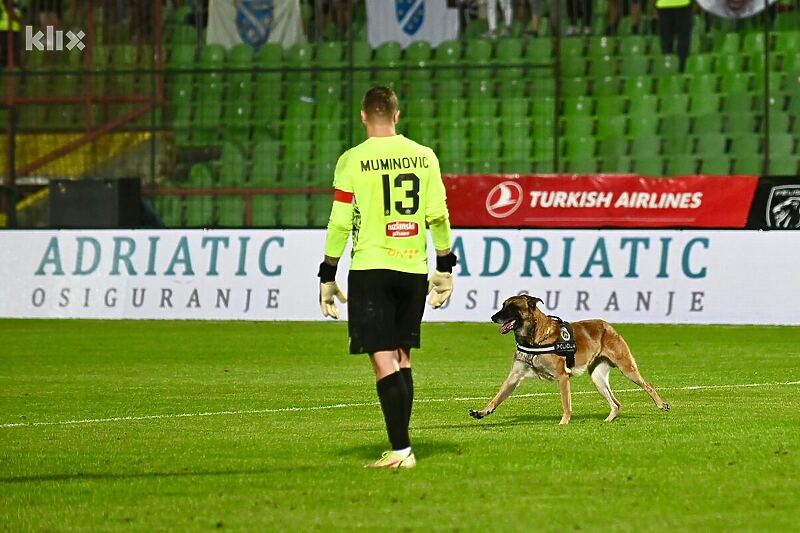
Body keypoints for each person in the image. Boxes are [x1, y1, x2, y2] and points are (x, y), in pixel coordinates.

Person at [318, 86, 456, 469]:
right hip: (412, 269)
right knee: (401, 357)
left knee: (382, 361)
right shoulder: (424, 157)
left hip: (371, 269)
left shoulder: (352, 160)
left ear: (363, 116)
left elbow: (341, 220)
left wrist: (327, 272)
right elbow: (438, 215)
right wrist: (445, 266)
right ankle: (402, 446)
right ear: (396, 115)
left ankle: (401, 451)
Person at [656, 0, 692, 72]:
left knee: (666, 41)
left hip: (663, 4)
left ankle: (668, 68)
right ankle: (682, 69)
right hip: (683, 4)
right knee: (683, 40)